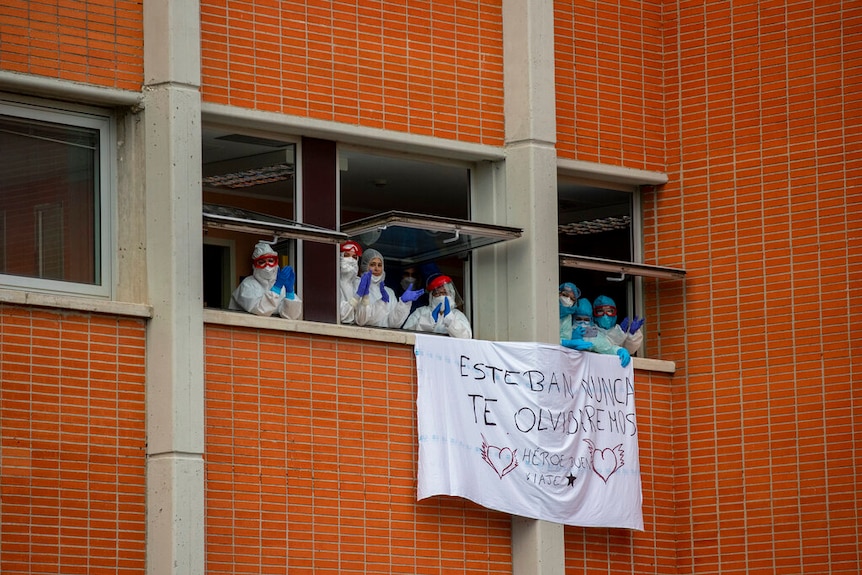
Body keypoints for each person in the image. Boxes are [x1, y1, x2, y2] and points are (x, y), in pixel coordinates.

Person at [229, 241, 302, 320]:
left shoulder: (282, 287)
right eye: (262, 262)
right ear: (254, 266)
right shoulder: (248, 284)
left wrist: (289, 292)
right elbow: (261, 310)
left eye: (271, 261)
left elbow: (291, 316)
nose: (267, 266)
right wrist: (276, 288)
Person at [351, 248, 422, 328]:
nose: (376, 269)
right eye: (372, 264)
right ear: (364, 266)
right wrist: (379, 302)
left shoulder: (389, 292)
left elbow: (394, 324)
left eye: (379, 265)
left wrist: (404, 304)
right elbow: (361, 320)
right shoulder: (356, 286)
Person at [402, 274, 472, 338]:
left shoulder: (457, 315)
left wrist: (450, 320)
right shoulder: (420, 312)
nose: (441, 296)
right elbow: (406, 334)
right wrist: (428, 320)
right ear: (431, 297)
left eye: (445, 293)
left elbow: (466, 337)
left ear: (451, 295)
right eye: (437, 293)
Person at [572, 298, 630, 367]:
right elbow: (558, 342)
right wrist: (569, 342)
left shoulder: (592, 334)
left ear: (591, 320)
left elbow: (607, 347)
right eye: (578, 319)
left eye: (586, 320)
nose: (583, 323)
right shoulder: (567, 331)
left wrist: (619, 350)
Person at [559, 282, 593, 351]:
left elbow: (564, 337)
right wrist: (565, 343)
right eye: (565, 295)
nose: (568, 299)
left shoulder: (567, 317)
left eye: (572, 298)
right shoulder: (547, 310)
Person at [338, 240, 363, 324]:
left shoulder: (358, 284)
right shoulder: (331, 282)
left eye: (354, 257)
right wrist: (355, 299)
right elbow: (339, 313)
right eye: (346, 255)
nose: (351, 260)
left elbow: (362, 319)